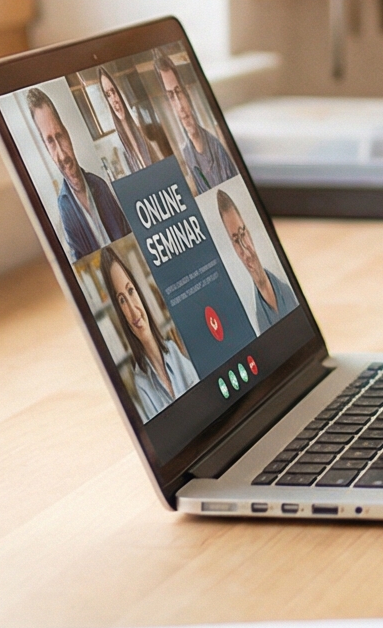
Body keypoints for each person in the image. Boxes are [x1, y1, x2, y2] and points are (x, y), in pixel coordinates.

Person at [94, 244, 198, 420]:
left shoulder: (174, 351)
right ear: (119, 312)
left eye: (130, 291)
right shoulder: (141, 385)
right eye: (122, 300)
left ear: (139, 292)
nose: (133, 311)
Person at [29, 88, 131, 259]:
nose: (62, 155)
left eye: (59, 136)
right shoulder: (64, 210)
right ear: (46, 149)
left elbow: (129, 236)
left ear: (67, 135)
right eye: (51, 142)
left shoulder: (100, 185)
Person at [218, 190, 298, 334]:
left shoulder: (287, 287)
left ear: (248, 232)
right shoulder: (251, 316)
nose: (245, 249)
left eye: (243, 234)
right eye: (236, 240)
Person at [158, 61, 238, 192]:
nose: (180, 106)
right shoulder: (187, 153)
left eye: (179, 92)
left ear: (187, 95)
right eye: (171, 96)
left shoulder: (216, 143)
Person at [94, 71, 168, 173]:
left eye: (113, 91)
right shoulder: (119, 148)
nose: (114, 99)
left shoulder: (143, 127)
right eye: (108, 95)